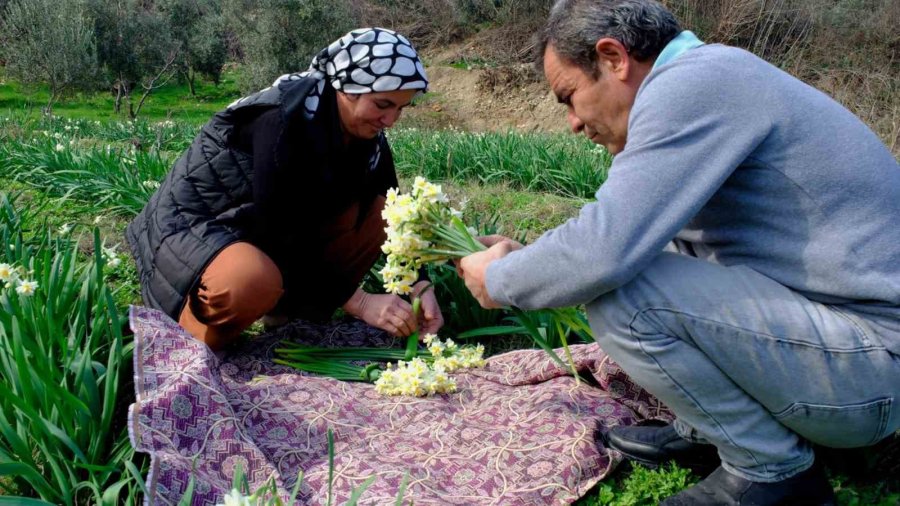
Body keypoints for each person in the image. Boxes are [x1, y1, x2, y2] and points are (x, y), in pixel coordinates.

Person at [457, 0, 900, 504]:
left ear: (613, 58)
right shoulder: (710, 76)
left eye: (569, 96)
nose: (573, 122)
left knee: (624, 293)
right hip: (855, 357)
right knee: (653, 257)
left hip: (872, 374)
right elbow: (638, 234)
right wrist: (527, 258)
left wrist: (500, 280)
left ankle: (771, 472)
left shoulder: (695, 85)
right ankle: (714, 428)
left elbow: (605, 252)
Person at [127, 28, 443, 351]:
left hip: (259, 231)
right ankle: (192, 339)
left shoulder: (367, 137)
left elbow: (396, 216)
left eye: (401, 109)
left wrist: (420, 286)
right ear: (348, 88)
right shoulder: (282, 119)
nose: (391, 120)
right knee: (250, 281)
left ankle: (289, 317)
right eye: (383, 104)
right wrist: (360, 303)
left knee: (381, 214)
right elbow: (277, 228)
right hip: (195, 227)